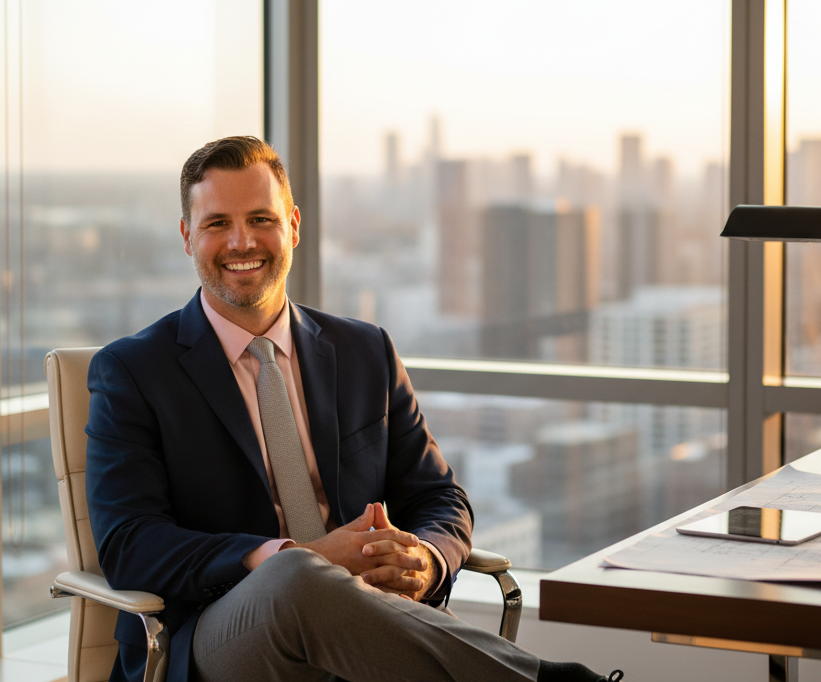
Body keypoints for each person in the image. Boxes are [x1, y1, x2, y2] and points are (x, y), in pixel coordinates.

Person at [85, 136, 623, 682]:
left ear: (293, 225)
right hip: (215, 638)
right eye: (217, 223)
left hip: (367, 622)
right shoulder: (133, 372)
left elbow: (439, 497)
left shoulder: (366, 352)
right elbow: (129, 543)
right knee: (296, 577)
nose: (242, 240)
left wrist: (426, 562)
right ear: (187, 236)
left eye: (261, 218)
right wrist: (294, 555)